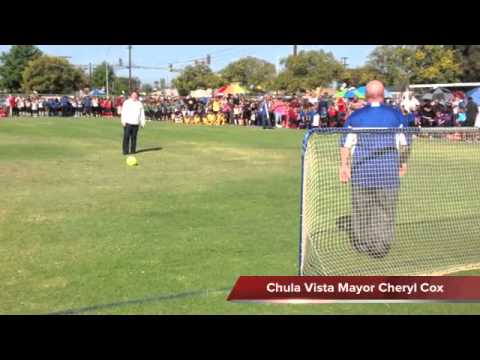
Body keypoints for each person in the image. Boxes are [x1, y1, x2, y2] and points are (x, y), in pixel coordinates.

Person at [339, 80, 409, 259]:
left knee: (361, 210)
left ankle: (362, 243)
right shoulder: (396, 115)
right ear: (383, 95)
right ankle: (379, 247)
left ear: (366, 96)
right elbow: (405, 143)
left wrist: (344, 165)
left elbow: (345, 143)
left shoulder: (355, 116)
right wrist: (403, 162)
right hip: (387, 173)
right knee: (385, 211)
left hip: (361, 171)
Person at [121, 90, 146, 155]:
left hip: (136, 123)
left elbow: (142, 114)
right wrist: (123, 121)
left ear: (137, 96)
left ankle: (133, 151)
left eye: (136, 95)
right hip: (128, 123)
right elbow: (123, 112)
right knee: (126, 137)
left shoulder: (139, 103)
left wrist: (142, 122)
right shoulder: (126, 102)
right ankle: (125, 151)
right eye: (133, 94)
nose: (134, 96)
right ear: (131, 95)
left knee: (134, 138)